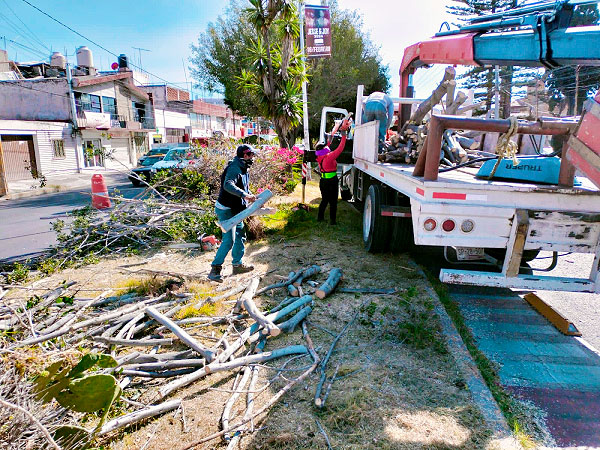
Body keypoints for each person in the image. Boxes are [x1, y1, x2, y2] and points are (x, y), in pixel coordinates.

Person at [208, 144, 257, 282]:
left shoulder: (243, 167)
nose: (253, 158)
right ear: (245, 155)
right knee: (229, 240)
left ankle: (237, 265)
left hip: (236, 210)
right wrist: (244, 195)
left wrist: (250, 195)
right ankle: (215, 269)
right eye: (251, 155)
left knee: (240, 234)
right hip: (226, 210)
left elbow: (242, 186)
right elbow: (228, 184)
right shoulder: (235, 167)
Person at [315, 119, 351, 225]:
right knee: (333, 202)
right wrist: (343, 133)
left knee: (324, 200)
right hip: (332, 181)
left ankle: (320, 218)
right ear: (324, 149)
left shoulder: (319, 155)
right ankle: (333, 221)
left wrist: (335, 129)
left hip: (323, 181)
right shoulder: (329, 157)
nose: (328, 147)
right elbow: (340, 148)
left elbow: (328, 143)